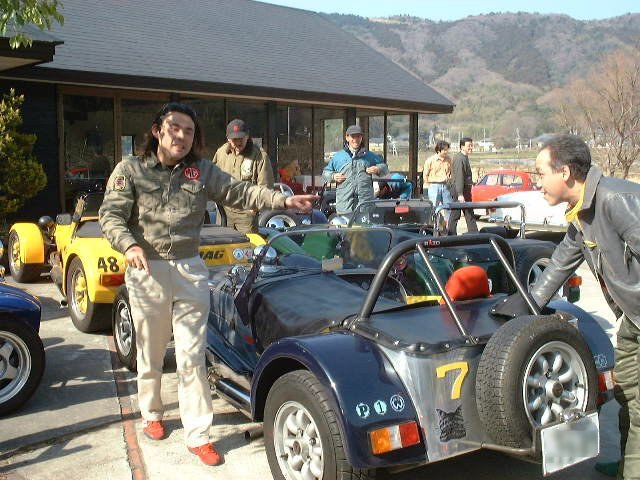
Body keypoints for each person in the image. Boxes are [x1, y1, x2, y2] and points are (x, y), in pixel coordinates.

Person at [98, 103, 315, 466]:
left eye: (189, 131)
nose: (181, 136)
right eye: (174, 128)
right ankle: (151, 412)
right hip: (147, 269)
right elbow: (111, 215)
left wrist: (284, 199)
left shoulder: (201, 171)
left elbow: (241, 191)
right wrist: (129, 245)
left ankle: (198, 433)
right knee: (151, 351)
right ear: (157, 131)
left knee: (192, 355)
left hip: (189, 269)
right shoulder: (131, 170)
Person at [530, 134, 640, 480]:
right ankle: (625, 463)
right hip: (631, 320)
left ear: (564, 172)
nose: (537, 183)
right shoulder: (581, 214)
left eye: (540, 173)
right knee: (626, 394)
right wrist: (521, 310)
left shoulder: (616, 199)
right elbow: (559, 264)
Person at [212, 119, 275, 234]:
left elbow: (266, 185)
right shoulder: (221, 153)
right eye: (234, 139)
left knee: (247, 244)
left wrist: (255, 208)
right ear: (228, 139)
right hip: (224, 212)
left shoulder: (259, 156)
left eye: (241, 139)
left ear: (247, 136)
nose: (238, 142)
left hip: (246, 215)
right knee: (224, 242)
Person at [322, 124, 388, 215]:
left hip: (365, 207)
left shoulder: (369, 156)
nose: (355, 139)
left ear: (361, 138)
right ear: (347, 137)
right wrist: (333, 176)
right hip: (345, 206)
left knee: (364, 225)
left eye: (358, 136)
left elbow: (385, 167)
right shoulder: (338, 157)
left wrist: (378, 169)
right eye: (353, 136)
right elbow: (325, 173)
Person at [448, 137, 478, 235]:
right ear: (462, 147)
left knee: (468, 212)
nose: (471, 147)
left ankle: (473, 233)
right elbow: (459, 176)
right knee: (456, 214)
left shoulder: (464, 157)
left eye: (471, 145)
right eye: (469, 146)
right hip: (460, 189)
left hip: (464, 189)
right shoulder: (460, 158)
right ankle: (451, 235)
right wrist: (460, 193)